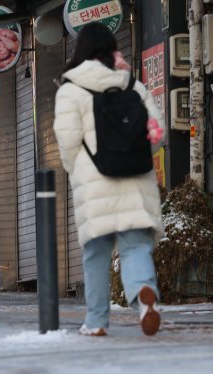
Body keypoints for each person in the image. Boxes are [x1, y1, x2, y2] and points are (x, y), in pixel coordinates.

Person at [53, 22, 164, 337]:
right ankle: (145, 297)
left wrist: (76, 170)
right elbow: (155, 133)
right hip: (135, 178)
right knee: (135, 247)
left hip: (94, 182)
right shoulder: (132, 85)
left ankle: (98, 321)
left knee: (96, 254)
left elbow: (67, 140)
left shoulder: (71, 89)